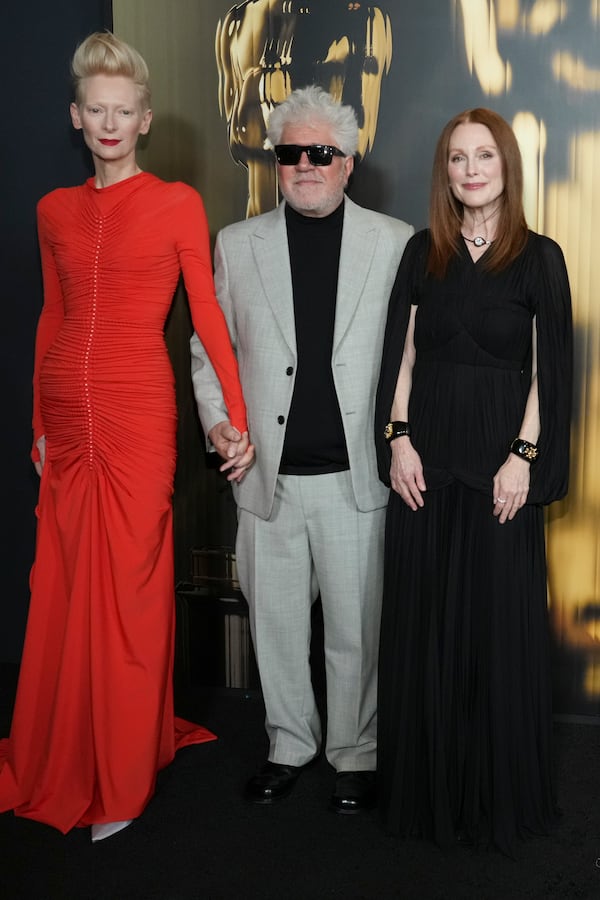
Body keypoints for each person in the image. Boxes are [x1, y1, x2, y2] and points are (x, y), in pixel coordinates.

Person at [0, 32, 250, 841]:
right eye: (95, 111)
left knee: (135, 591)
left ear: (144, 119)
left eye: (123, 112)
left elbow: (205, 312)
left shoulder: (177, 202)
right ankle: (67, 747)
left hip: (141, 411)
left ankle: (124, 772)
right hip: (68, 417)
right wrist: (38, 424)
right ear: (78, 117)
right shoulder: (52, 211)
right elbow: (51, 316)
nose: (110, 124)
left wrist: (236, 416)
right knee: (67, 587)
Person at [190, 85, 413, 813]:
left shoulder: (396, 241)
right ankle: (288, 744)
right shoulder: (235, 243)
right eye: (292, 154)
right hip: (266, 482)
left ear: (348, 163)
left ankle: (357, 753)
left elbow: (416, 357)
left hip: (356, 478)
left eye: (322, 153)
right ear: (276, 163)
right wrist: (219, 423)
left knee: (356, 631)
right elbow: (207, 351)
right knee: (278, 632)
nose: (306, 165)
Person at [374, 108, 572, 856]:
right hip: (425, 467)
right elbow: (404, 358)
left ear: (506, 165)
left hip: (498, 474)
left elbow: (548, 372)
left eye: (483, 155)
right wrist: (397, 443)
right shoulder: (422, 252)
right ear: (445, 173)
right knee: (425, 627)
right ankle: (429, 794)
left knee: (494, 629)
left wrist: (523, 455)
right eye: (457, 158)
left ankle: (494, 798)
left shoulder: (539, 260)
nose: (470, 169)